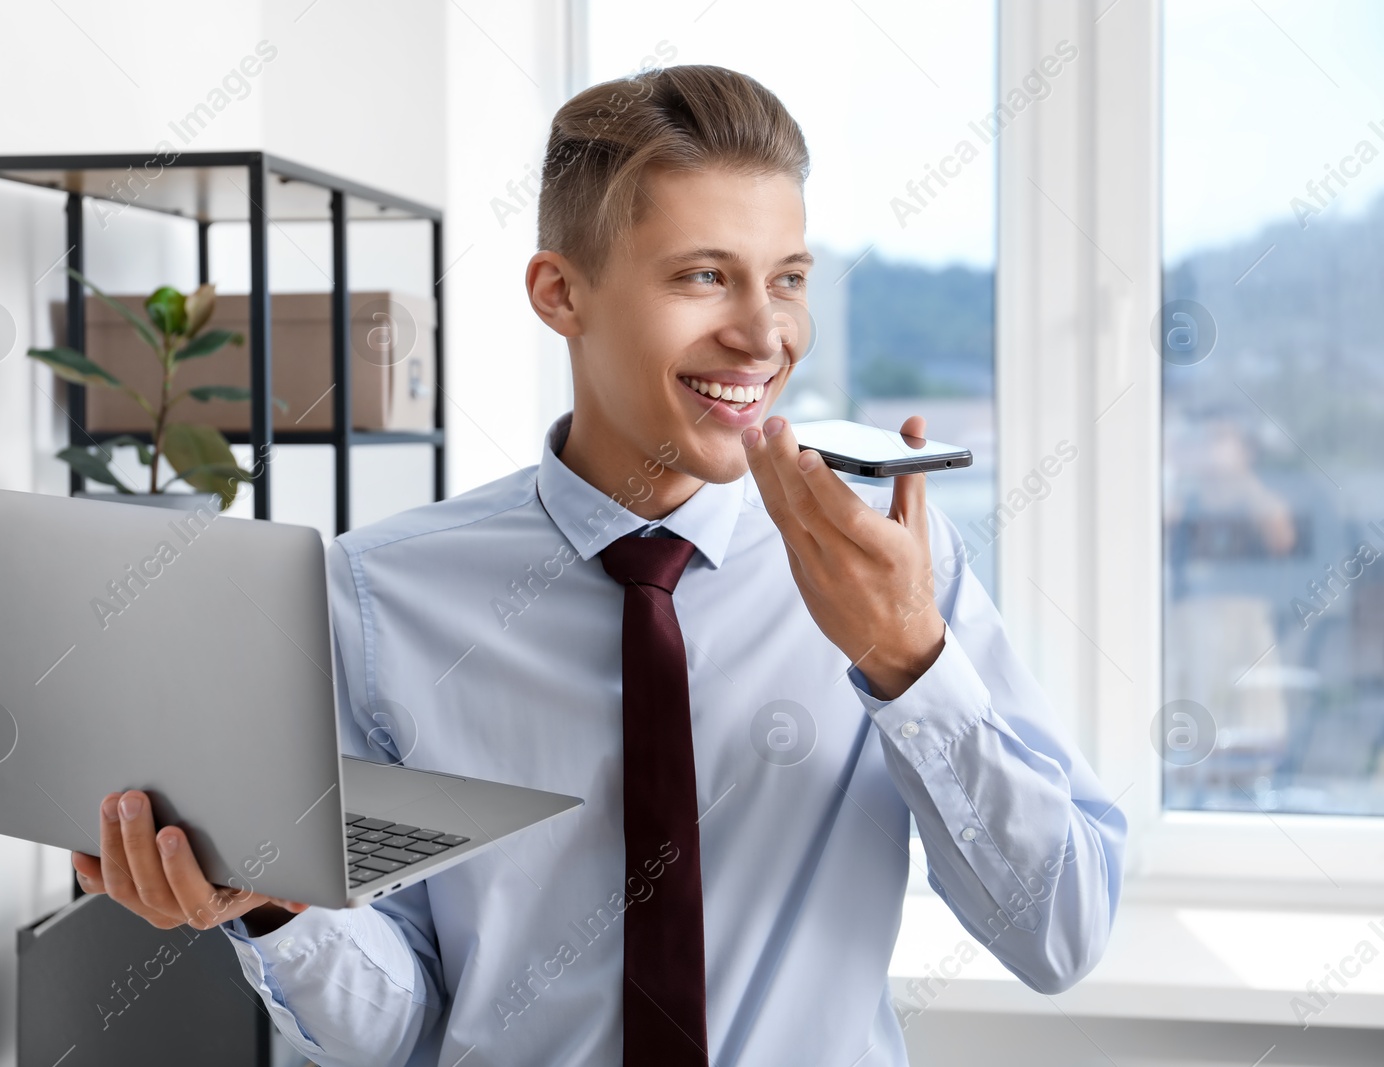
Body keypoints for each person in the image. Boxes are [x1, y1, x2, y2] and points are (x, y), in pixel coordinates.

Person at [71, 64, 1125, 1066]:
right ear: (558, 292)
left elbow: (1059, 935)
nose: (764, 334)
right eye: (704, 276)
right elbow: (396, 1029)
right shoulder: (378, 596)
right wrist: (274, 905)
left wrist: (911, 664)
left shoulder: (888, 568)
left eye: (788, 279)